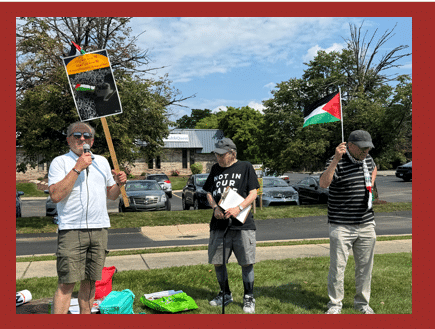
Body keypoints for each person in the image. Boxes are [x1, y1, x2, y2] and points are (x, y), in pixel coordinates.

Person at [48, 121, 127, 314]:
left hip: (99, 228)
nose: (82, 139)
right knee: (67, 282)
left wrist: (119, 183)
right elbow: (55, 195)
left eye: (87, 136)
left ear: (92, 141)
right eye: (77, 135)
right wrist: (78, 168)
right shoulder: (60, 162)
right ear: (68, 139)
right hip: (71, 229)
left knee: (90, 281)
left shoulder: (102, 162)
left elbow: (111, 195)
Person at [319, 130, 378, 314]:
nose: (366, 151)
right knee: (338, 268)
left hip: (366, 223)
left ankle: (362, 304)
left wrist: (370, 184)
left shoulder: (367, 159)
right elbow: (323, 183)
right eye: (362, 148)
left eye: (368, 148)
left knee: (365, 268)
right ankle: (335, 305)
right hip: (341, 225)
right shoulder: (336, 160)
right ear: (350, 146)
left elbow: (374, 167)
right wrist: (336, 160)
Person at [202, 138, 260, 314]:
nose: (218, 157)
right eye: (216, 154)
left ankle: (249, 297)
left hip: (242, 224)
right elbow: (209, 192)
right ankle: (225, 293)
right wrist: (214, 208)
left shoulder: (245, 166)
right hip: (219, 224)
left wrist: (238, 208)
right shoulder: (215, 169)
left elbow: (253, 193)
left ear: (232, 153)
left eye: (222, 154)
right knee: (218, 262)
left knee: (246, 262)